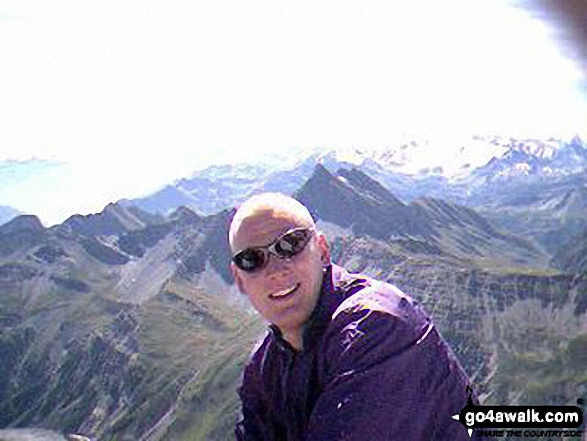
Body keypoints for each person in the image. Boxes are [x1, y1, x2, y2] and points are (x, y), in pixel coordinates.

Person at [230, 192, 479, 440]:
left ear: (323, 251)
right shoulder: (265, 363)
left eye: (290, 244)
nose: (276, 270)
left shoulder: (378, 327)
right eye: (251, 259)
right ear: (239, 279)